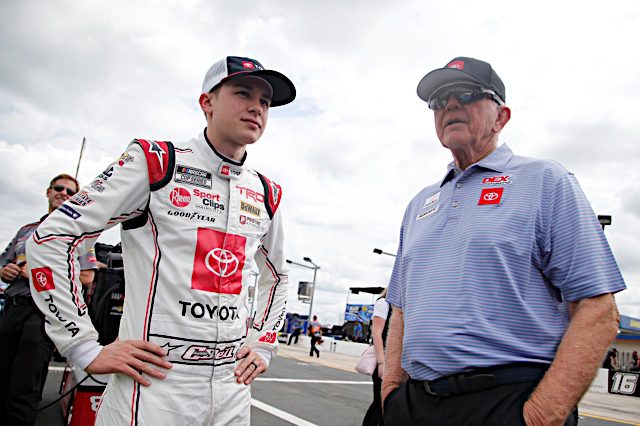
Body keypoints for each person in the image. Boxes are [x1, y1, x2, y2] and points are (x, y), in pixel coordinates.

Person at [26, 56, 294, 425]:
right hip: (154, 384)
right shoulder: (156, 162)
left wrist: (265, 342)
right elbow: (51, 238)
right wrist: (81, 345)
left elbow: (277, 276)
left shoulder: (267, 192)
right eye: (243, 93)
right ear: (207, 102)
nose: (256, 107)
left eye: (265, 102)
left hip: (231, 387)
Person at [382, 57, 626, 426]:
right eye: (438, 100)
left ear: (501, 117)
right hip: (416, 405)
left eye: (465, 94)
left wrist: (542, 414)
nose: (449, 105)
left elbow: (598, 308)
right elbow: (400, 309)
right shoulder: (419, 204)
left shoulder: (545, 181)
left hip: (505, 402)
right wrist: (391, 394)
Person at [0, 174, 97, 425]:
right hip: (13, 309)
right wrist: (5, 270)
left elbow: (87, 277)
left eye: (70, 191)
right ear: (48, 192)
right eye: (59, 188)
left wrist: (38, 272)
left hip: (44, 315)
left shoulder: (81, 235)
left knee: (25, 383)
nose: (63, 193)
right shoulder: (26, 231)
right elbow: (3, 263)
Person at [363, 288, 390, 426]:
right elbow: (377, 334)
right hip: (383, 361)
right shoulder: (384, 303)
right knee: (380, 406)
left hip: (394, 363)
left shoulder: (398, 306)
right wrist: (381, 363)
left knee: (383, 405)